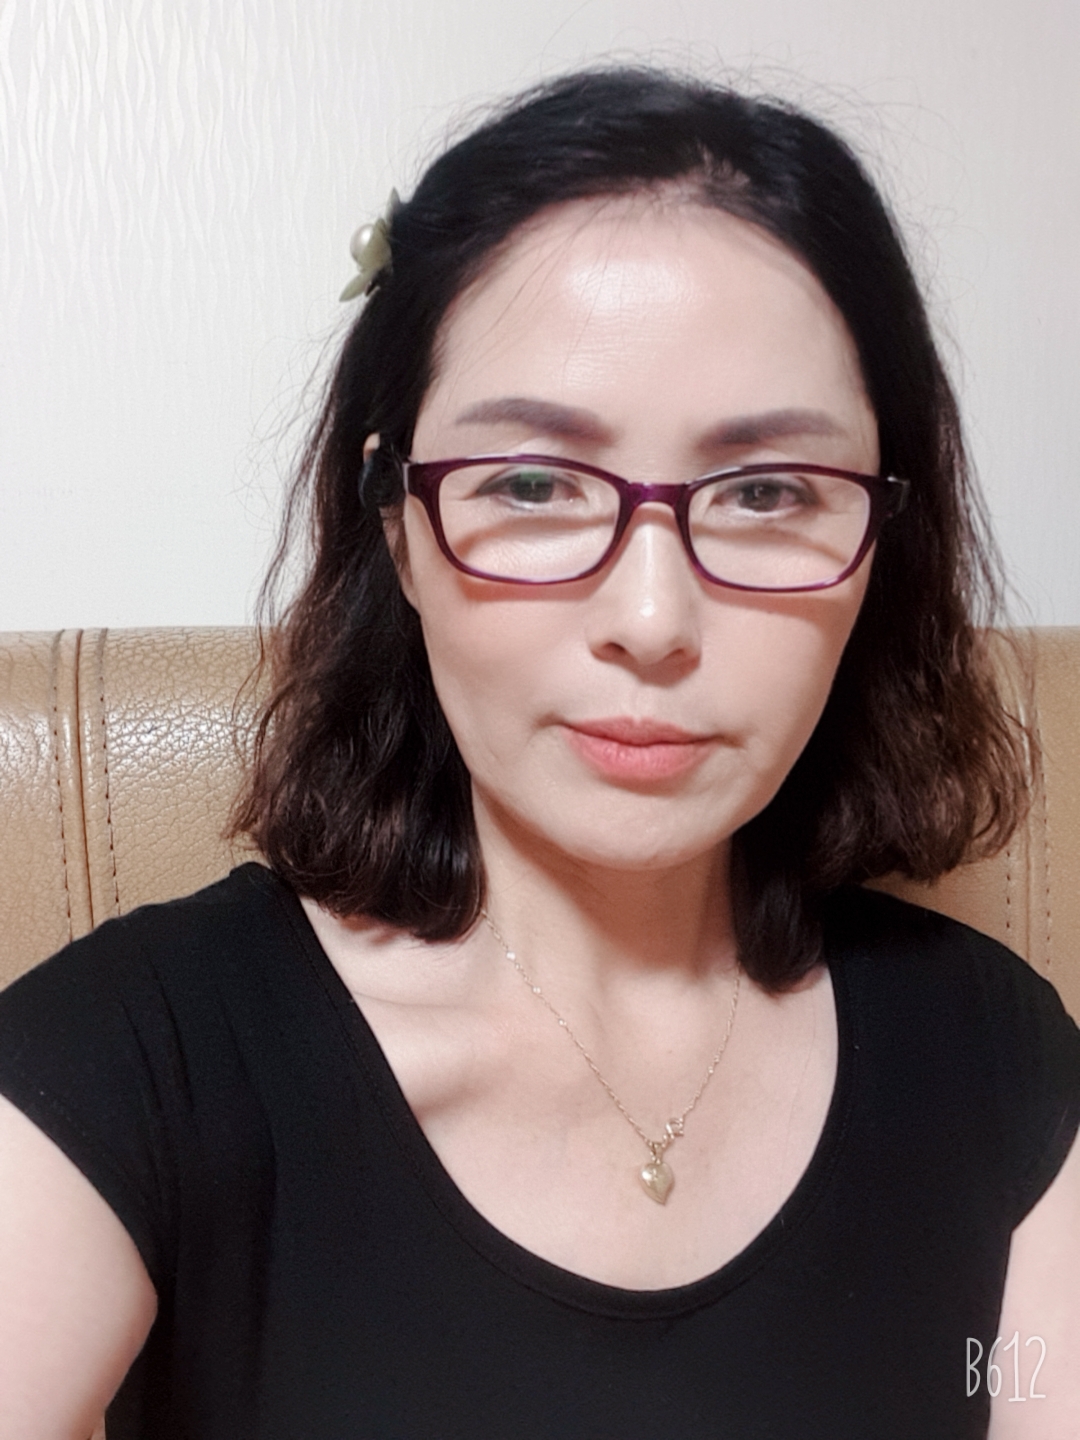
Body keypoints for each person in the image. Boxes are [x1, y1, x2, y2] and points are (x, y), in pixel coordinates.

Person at [1, 66, 1078, 1440]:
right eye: (531, 482)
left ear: (882, 548)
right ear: (397, 526)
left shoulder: (998, 1066)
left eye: (766, 493)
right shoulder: (130, 1063)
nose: (653, 621)